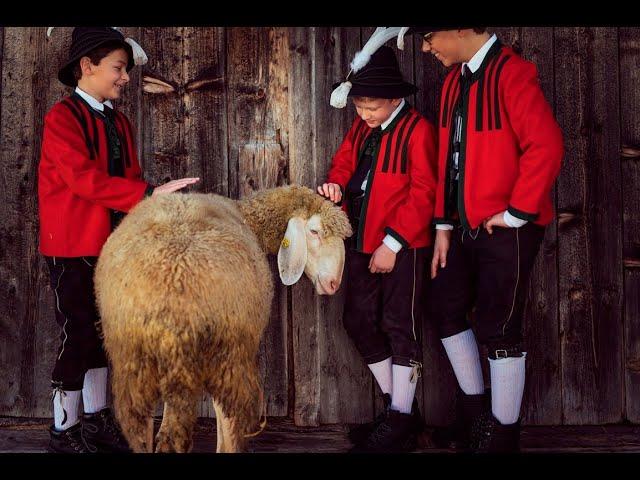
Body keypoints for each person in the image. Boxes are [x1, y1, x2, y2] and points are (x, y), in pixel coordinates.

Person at [398, 26, 564, 452]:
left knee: (500, 325)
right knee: (444, 306)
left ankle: (503, 434)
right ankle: (475, 415)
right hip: (460, 227)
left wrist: (516, 213)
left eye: (429, 35)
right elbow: (447, 160)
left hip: (506, 227)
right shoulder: (454, 80)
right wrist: (443, 227)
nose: (425, 47)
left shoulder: (513, 72)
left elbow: (545, 144)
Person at [39, 27, 199, 453]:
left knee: (103, 333)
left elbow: (128, 180)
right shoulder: (62, 118)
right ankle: (63, 430)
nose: (125, 77)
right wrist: (145, 195)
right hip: (72, 247)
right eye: (118, 68)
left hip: (114, 248)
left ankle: (95, 422)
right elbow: (82, 180)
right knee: (78, 334)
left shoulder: (120, 121)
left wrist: (154, 206)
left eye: (126, 69)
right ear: (87, 67)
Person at [319, 36, 438, 452]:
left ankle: (400, 419)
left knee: (399, 327)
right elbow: (345, 161)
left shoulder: (418, 130)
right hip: (361, 241)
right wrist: (334, 183)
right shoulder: (361, 127)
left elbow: (424, 192)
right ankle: (401, 413)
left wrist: (394, 242)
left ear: (393, 99)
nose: (364, 113)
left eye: (371, 107)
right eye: (358, 106)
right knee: (357, 320)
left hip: (400, 246)